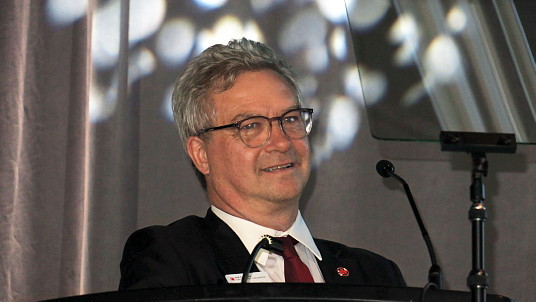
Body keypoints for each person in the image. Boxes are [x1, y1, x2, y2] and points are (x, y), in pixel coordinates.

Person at [118, 38, 405, 289]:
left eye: (290, 119)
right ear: (201, 154)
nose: (281, 142)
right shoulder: (171, 259)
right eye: (251, 126)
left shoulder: (375, 275)